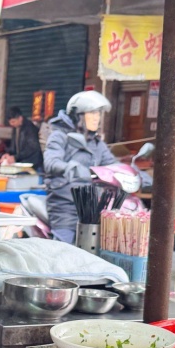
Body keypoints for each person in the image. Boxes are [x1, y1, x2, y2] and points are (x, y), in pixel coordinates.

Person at [42, 90, 115, 243]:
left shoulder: (97, 143)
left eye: (99, 114)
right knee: (64, 246)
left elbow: (112, 164)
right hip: (65, 203)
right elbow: (51, 162)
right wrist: (71, 168)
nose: (97, 118)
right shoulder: (59, 136)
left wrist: (135, 174)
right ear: (79, 115)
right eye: (93, 113)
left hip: (91, 202)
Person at [0, 104, 42, 169]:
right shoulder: (15, 128)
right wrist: (8, 154)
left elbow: (32, 148)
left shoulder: (30, 128)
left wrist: (15, 157)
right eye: (10, 122)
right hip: (21, 163)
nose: (11, 124)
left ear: (20, 118)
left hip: (32, 164)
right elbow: (13, 147)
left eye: (13, 122)